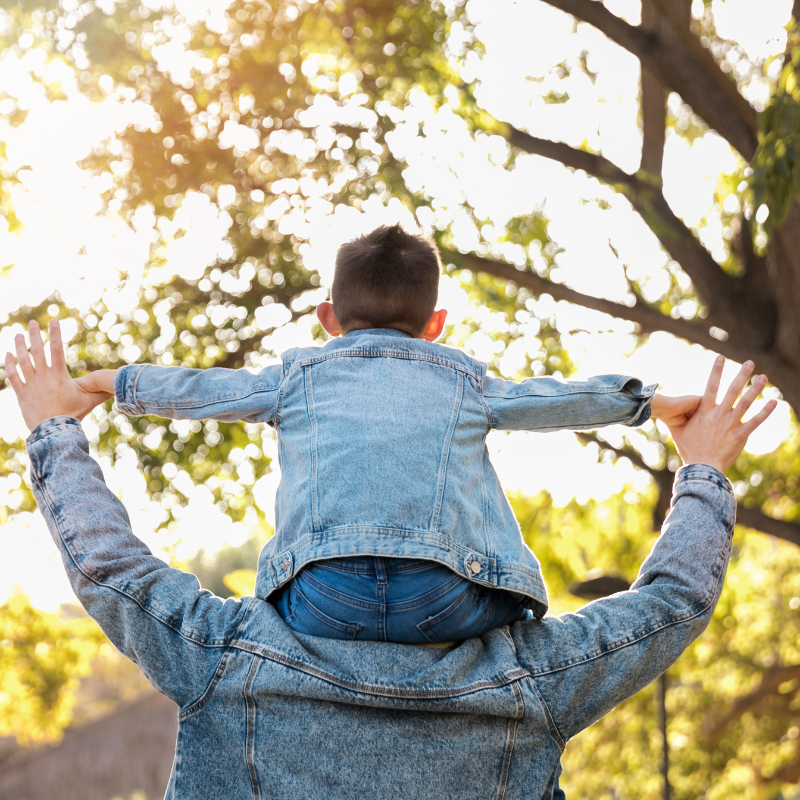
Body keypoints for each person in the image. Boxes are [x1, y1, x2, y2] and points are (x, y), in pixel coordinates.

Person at [4, 316, 774, 800]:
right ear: (434, 324)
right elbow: (673, 602)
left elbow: (109, 569)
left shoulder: (224, 660)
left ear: (328, 318)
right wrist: (701, 465)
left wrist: (57, 427)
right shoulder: (529, 685)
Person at [71, 224, 702, 644]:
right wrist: (649, 403)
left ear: (328, 319)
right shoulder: (462, 379)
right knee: (514, 623)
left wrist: (105, 383)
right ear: (436, 324)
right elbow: (550, 399)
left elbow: (204, 390)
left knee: (283, 607)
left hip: (322, 600)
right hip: (443, 600)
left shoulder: (297, 375)